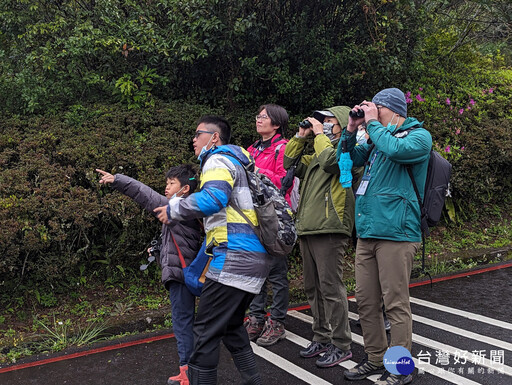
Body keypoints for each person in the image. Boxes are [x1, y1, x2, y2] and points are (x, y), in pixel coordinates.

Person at [154, 116, 270, 385]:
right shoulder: (239, 163)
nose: (193, 139)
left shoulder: (217, 160)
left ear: (214, 138)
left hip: (234, 258)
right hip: (253, 259)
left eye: (198, 134)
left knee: (204, 332)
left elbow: (213, 198)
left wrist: (174, 209)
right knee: (230, 327)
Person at [340, 88, 432, 385]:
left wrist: (372, 124)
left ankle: (401, 365)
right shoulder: (376, 138)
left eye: (376, 108)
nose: (371, 114)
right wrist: (352, 130)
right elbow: (350, 158)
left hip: (398, 232)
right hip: (368, 232)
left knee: (395, 303)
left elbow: (397, 151)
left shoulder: (418, 136)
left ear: (392, 110)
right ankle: (376, 358)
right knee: (366, 301)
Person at [96, 164, 201, 385]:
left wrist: (118, 180)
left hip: (180, 275)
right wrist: (160, 249)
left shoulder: (179, 208)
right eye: (167, 182)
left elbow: (145, 195)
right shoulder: (184, 209)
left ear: (185, 189)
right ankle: (191, 369)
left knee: (182, 323)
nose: (166, 187)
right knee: (186, 322)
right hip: (182, 273)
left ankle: (188, 373)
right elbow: (179, 241)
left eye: (172, 183)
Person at [283, 106, 355, 368]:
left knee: (331, 288)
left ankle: (341, 344)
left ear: (344, 124)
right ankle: (321, 337)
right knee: (312, 288)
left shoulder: (349, 150)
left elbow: (330, 162)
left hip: (330, 227)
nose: (323, 125)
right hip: (309, 226)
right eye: (321, 122)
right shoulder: (316, 151)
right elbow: (289, 164)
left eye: (329, 122)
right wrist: (301, 137)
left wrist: (319, 135)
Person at [244, 104, 291, 347]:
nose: (259, 119)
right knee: (256, 268)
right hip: (253, 216)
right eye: (258, 115)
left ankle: (278, 321)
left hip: (274, 217)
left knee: (276, 272)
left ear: (276, 123)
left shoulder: (282, 148)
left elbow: (285, 181)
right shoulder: (252, 148)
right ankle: (256, 317)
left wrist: (257, 171)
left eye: (264, 117)